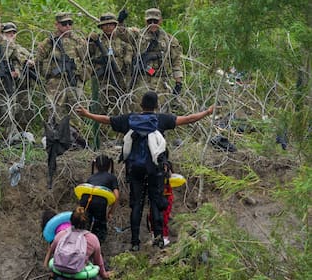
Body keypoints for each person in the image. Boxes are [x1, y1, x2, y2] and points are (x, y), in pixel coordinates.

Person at [76, 91, 215, 251]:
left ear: (141, 105)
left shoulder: (130, 119)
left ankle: (135, 242)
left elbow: (107, 120)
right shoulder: (161, 119)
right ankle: (158, 238)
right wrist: (207, 112)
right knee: (155, 203)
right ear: (156, 106)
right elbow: (188, 119)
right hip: (155, 169)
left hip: (134, 169)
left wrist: (87, 114)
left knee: (136, 205)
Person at [117, 8, 183, 112]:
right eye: (149, 21)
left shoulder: (169, 40)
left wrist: (178, 84)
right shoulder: (138, 36)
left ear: (160, 21)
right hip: (141, 80)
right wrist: (120, 22)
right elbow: (122, 34)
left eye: (155, 21)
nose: (152, 24)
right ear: (145, 21)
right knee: (139, 110)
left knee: (160, 112)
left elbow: (176, 62)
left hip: (160, 81)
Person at [35, 12, 88, 126]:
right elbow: (38, 61)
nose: (68, 26)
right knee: (54, 109)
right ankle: (56, 135)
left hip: (74, 79)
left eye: (70, 23)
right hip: (55, 81)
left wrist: (83, 77)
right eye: (64, 24)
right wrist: (46, 76)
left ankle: (76, 136)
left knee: (76, 109)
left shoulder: (78, 40)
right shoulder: (49, 42)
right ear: (57, 25)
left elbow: (86, 61)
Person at [44, 206, 111, 279]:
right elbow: (98, 262)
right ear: (87, 223)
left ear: (70, 220)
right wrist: (104, 274)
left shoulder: (60, 235)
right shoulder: (93, 239)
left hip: (59, 273)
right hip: (79, 275)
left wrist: (48, 269)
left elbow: (51, 251)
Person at [88, 13, 133, 115]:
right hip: (101, 82)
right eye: (105, 25)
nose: (108, 27)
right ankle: (100, 131)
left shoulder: (123, 42)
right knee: (98, 113)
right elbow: (86, 57)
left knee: (121, 112)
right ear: (101, 27)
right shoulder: (95, 41)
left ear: (115, 25)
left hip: (118, 81)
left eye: (111, 24)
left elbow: (128, 63)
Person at [80, 154, 120, 242]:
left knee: (84, 226)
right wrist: (110, 212)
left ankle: (81, 246)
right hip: (99, 201)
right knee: (99, 228)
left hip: (85, 200)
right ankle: (95, 249)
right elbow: (116, 196)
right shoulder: (112, 177)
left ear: (96, 166)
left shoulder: (91, 177)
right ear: (109, 165)